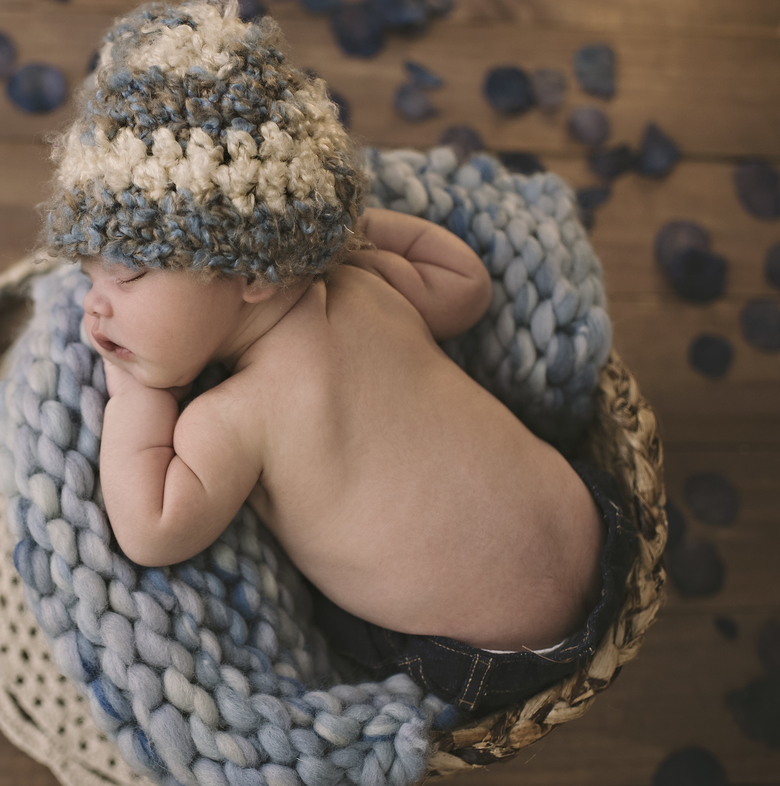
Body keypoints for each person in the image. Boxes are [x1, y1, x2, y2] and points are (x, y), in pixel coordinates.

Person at [40, 0, 636, 718]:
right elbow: (466, 287)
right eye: (88, 276)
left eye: (129, 276)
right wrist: (352, 234)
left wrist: (134, 392)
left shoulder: (234, 419)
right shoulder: (366, 287)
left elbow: (152, 527)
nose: (94, 307)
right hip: (597, 527)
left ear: (255, 274)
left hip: (485, 654)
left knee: (334, 637)